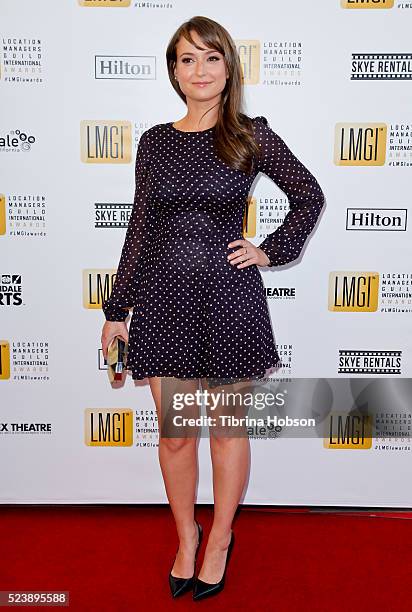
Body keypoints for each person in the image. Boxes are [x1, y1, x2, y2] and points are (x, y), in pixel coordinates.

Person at [101, 15, 325, 601]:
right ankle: (185, 536)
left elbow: (308, 194)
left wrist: (269, 250)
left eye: (210, 58)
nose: (198, 71)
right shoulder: (154, 141)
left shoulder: (250, 135)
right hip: (163, 302)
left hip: (230, 301)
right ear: (173, 72)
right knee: (176, 435)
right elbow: (139, 229)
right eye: (185, 59)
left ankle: (221, 538)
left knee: (226, 431)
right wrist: (115, 311)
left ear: (229, 67)